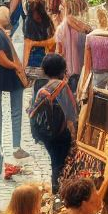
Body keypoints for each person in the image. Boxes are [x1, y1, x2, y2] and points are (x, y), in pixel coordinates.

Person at [0, 6, 28, 159]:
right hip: (8, 77)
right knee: (12, 113)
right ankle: (12, 147)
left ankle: (0, 147)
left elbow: (0, 57)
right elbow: (0, 58)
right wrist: (16, 65)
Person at [29, 54, 78, 192]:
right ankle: (58, 190)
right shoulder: (63, 86)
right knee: (60, 163)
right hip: (61, 133)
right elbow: (72, 113)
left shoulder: (39, 87)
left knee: (55, 160)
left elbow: (33, 109)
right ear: (63, 71)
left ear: (44, 70)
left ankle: (56, 188)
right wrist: (74, 134)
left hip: (45, 134)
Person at [22, 0, 56, 82]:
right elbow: (27, 46)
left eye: (40, 16)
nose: (39, 18)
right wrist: (24, 68)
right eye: (36, 16)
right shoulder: (29, 22)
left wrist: (35, 43)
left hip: (47, 57)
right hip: (35, 59)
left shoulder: (47, 20)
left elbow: (53, 40)